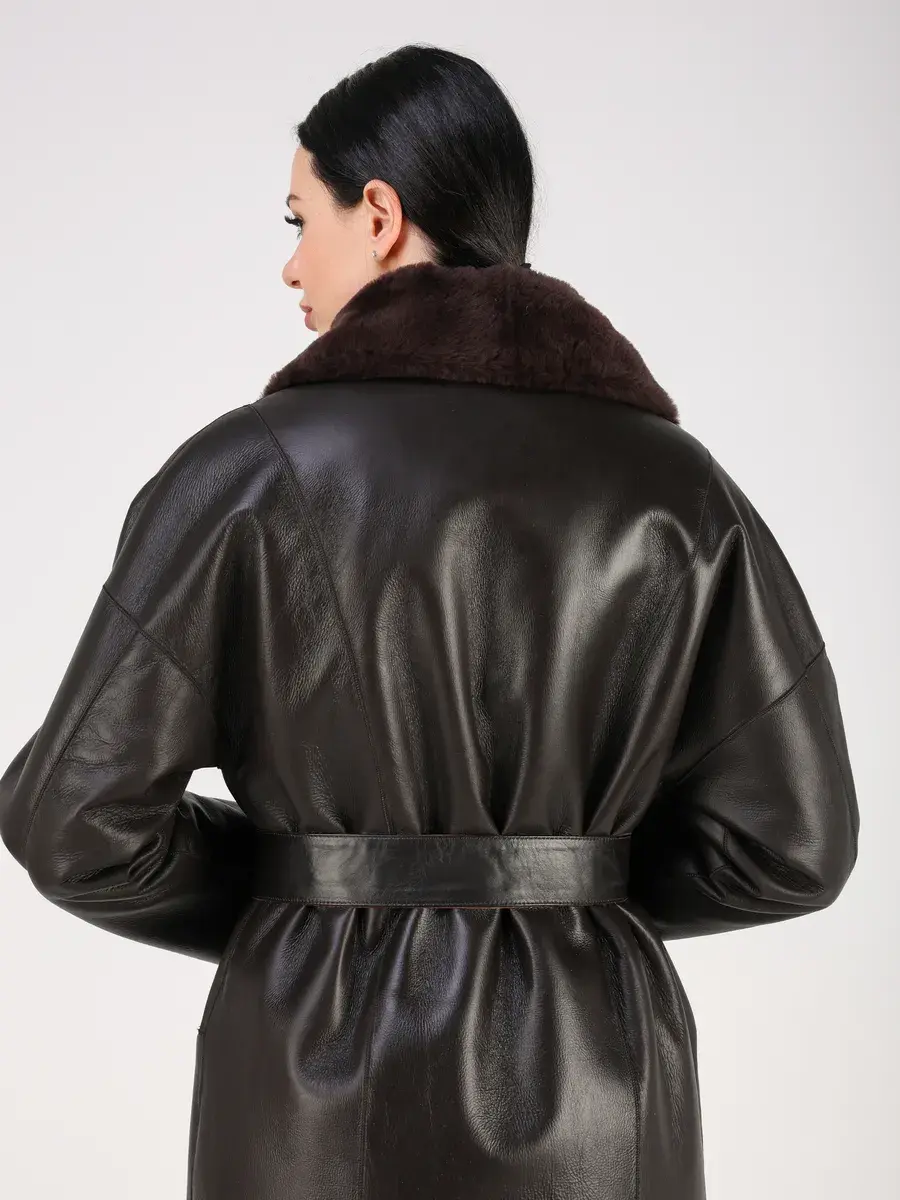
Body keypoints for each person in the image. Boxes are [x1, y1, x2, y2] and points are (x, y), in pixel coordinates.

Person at [0, 42, 859, 1200]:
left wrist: (318, 884)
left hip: (310, 1105)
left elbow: (72, 819)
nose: (291, 263)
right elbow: (792, 847)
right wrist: (560, 883)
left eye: (300, 219)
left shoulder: (243, 478)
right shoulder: (681, 492)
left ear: (381, 215)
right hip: (601, 1105)